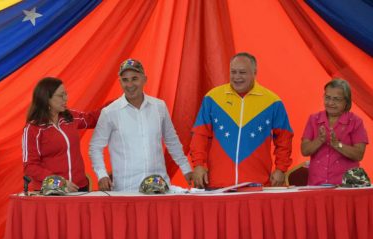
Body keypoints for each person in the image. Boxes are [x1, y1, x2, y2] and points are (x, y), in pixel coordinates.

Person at [189, 52, 293, 189]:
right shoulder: (212, 98)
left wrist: (281, 169)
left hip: (257, 184)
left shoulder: (273, 101)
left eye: (242, 72)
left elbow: (284, 138)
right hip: (218, 184)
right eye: (233, 72)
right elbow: (199, 135)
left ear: (254, 73)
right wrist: (198, 165)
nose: (237, 77)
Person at [89, 58, 192, 191]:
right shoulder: (109, 112)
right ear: (120, 82)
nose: (130, 84)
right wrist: (102, 174)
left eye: (134, 78)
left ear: (144, 79)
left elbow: (172, 140)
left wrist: (185, 168)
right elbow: (95, 147)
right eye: (125, 80)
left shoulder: (159, 106)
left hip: (159, 186)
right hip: (126, 189)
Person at [22, 77, 101, 192]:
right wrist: (59, 182)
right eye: (60, 95)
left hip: (79, 187)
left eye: (66, 94)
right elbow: (30, 167)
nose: (66, 98)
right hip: (53, 192)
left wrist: (119, 102)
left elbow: (92, 118)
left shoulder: (70, 117)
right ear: (46, 99)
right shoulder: (33, 128)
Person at [301, 78, 368, 185]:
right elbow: (304, 150)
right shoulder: (314, 119)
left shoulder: (356, 122)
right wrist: (319, 140)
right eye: (327, 98)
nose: (330, 103)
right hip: (317, 184)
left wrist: (337, 145)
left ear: (346, 101)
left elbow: (359, 154)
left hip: (345, 185)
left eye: (336, 99)